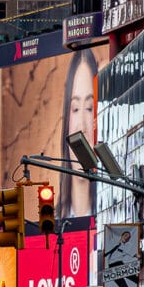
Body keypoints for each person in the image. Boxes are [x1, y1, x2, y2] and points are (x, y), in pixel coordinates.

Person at [57, 46, 99, 225]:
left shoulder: (115, 217)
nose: (82, 126)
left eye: (90, 109)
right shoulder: (50, 223)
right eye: (75, 109)